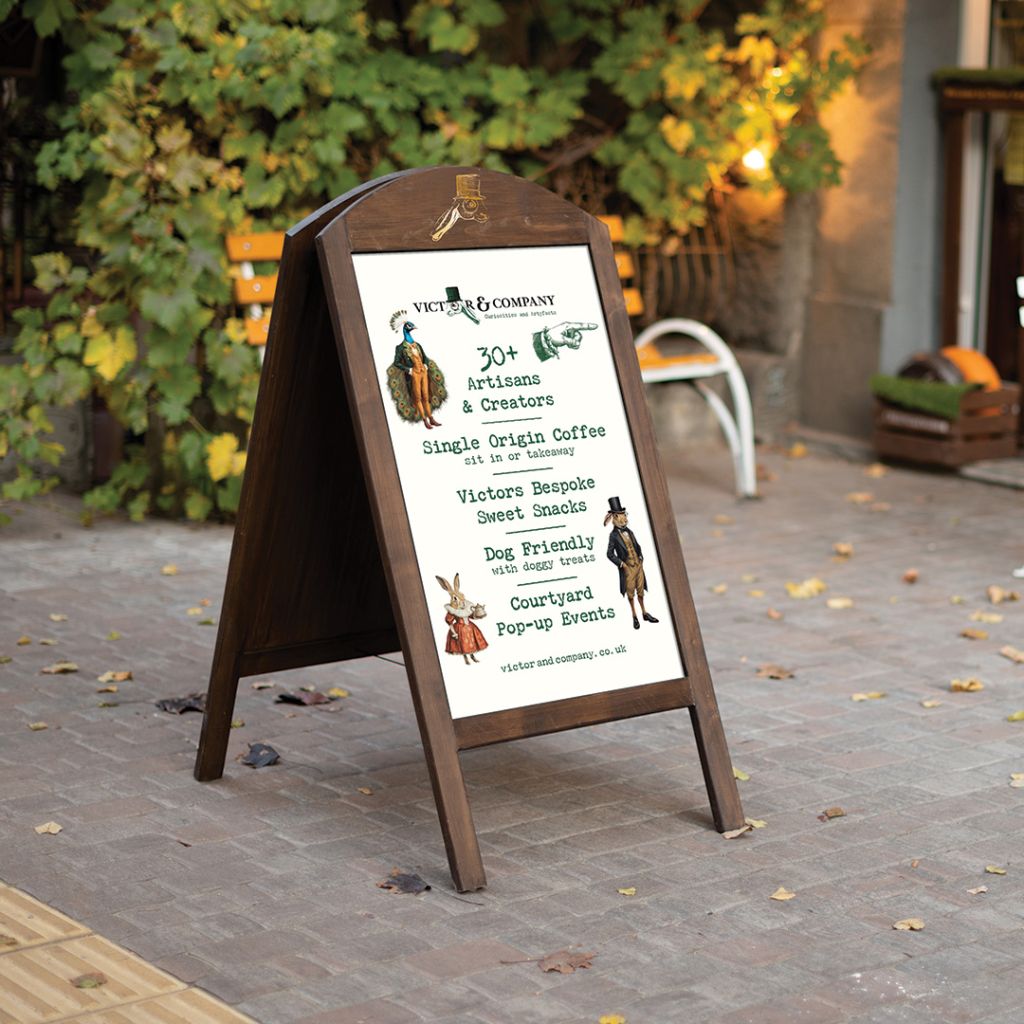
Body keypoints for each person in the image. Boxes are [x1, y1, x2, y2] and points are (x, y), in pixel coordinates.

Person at [605, 496, 659, 630]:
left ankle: (644, 612)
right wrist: (621, 564)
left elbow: (636, 545)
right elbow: (609, 554)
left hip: (638, 565)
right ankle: (634, 615)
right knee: (630, 592)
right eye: (619, 516)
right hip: (627, 566)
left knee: (640, 589)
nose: (623, 519)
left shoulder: (629, 531)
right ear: (614, 518)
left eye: (624, 515)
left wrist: (641, 557)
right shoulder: (613, 536)